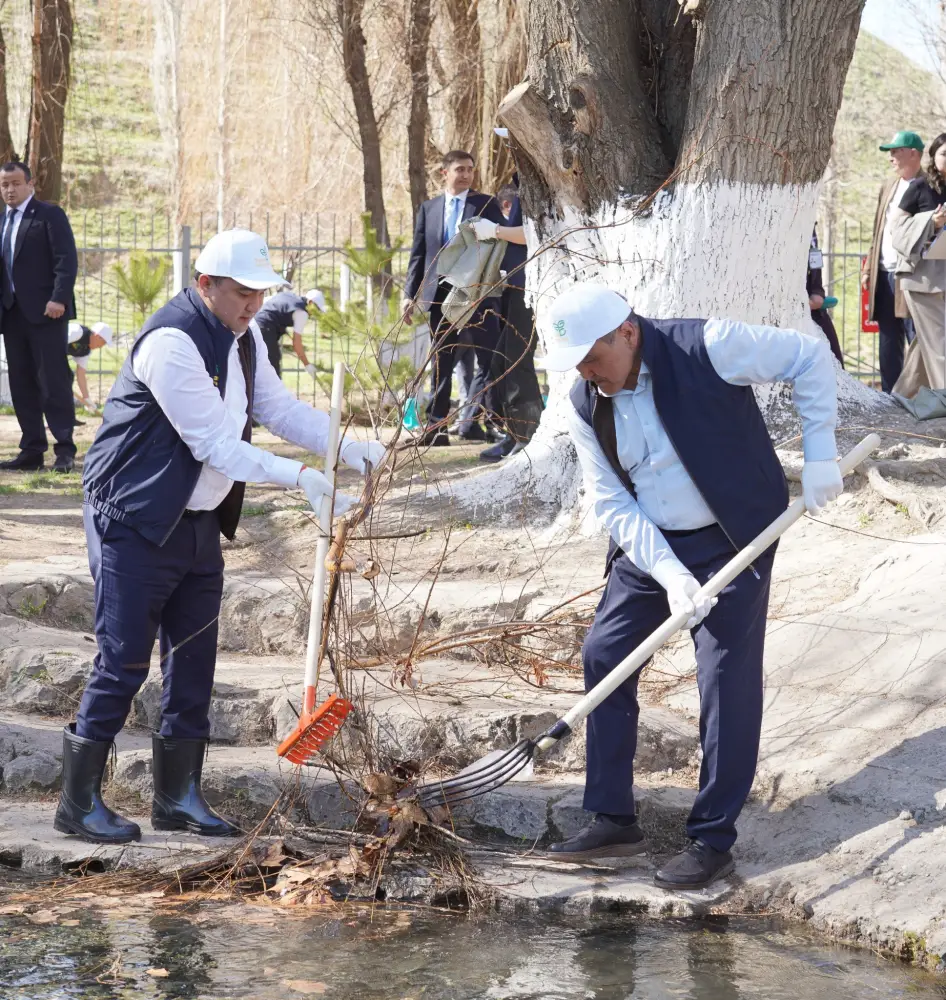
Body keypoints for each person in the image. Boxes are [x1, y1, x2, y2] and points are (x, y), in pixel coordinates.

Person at [54, 229, 385, 846]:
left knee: (194, 660)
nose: (253, 305)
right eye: (241, 293)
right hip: (133, 518)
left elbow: (279, 411)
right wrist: (301, 477)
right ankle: (77, 803)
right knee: (123, 660)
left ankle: (177, 798)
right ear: (205, 283)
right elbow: (213, 443)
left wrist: (349, 447)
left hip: (198, 522)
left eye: (261, 293)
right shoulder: (170, 344)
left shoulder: (246, 336)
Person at [541, 282, 840, 890]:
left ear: (627, 332)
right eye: (578, 366)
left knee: (723, 673)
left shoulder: (709, 344)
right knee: (605, 652)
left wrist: (821, 452)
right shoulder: (582, 400)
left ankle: (711, 839)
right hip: (649, 540)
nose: (590, 375)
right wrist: (673, 577)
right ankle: (612, 817)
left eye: (594, 360)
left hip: (734, 532)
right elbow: (613, 503)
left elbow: (809, 357)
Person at [401, 150, 506, 446]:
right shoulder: (429, 209)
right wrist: (410, 295)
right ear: (444, 172)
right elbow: (419, 254)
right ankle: (437, 429)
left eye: (470, 169)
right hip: (440, 296)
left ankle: (492, 424)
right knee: (441, 362)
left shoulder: (485, 204)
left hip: (478, 295)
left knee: (488, 360)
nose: (466, 174)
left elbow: (497, 247)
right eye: (460, 169)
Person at [0, 160, 78, 473]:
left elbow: (66, 260)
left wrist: (58, 298)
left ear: (31, 185)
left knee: (53, 381)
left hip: (47, 313)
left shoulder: (49, 216)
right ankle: (31, 450)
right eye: (5, 185)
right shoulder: (2, 220)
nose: (10, 190)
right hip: (12, 315)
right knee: (21, 384)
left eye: (16, 183)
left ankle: (64, 450)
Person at [471, 175, 544, 462]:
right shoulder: (522, 181)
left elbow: (535, 233)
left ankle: (527, 436)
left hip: (533, 287)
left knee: (516, 361)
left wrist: (496, 230)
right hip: (514, 287)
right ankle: (514, 433)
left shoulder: (536, 180)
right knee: (501, 360)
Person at [862, 131, 923, 392]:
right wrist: (867, 268)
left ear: (913, 153)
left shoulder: (928, 185)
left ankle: (923, 394)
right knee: (888, 339)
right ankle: (889, 395)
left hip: (913, 274)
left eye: (896, 151)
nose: (891, 158)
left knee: (918, 336)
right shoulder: (889, 186)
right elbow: (878, 230)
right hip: (884, 272)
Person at [889, 133, 946, 397]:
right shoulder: (920, 187)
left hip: (943, 278)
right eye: (944, 153)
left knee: (928, 346)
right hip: (922, 280)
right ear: (933, 156)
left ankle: (902, 398)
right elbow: (897, 231)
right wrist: (930, 223)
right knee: (940, 345)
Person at [254, 287, 326, 377]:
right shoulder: (302, 313)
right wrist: (307, 364)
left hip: (255, 322)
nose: (316, 313)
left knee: (259, 360)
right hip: (265, 328)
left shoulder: (289, 295)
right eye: (317, 309)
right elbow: (297, 343)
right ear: (310, 302)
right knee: (272, 363)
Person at [806, 227, 843, 366]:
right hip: (797, 307)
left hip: (815, 308)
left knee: (835, 359)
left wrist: (817, 292)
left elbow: (815, 260)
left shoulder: (810, 225)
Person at [68, 321, 114, 411]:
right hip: (43, 349)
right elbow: (55, 343)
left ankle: (67, 417)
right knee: (65, 376)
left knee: (68, 377)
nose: (101, 347)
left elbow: (80, 374)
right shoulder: (77, 331)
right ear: (98, 337)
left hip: (54, 356)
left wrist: (86, 398)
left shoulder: (86, 351)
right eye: (103, 343)